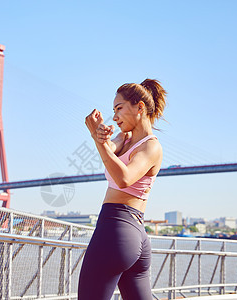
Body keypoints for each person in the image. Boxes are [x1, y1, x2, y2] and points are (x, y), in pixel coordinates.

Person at [78, 79, 167, 299]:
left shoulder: (151, 146)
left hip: (115, 230)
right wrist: (100, 134)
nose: (115, 117)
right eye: (113, 111)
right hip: (132, 234)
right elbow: (108, 150)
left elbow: (124, 178)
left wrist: (97, 141)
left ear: (140, 107)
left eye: (119, 109)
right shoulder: (124, 138)